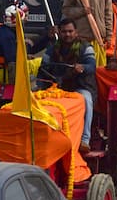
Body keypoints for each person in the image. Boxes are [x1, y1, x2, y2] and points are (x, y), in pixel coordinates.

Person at [37, 19, 96, 153]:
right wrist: (40, 86)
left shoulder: (85, 47)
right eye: (64, 32)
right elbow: (43, 68)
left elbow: (92, 66)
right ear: (59, 32)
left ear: (76, 32)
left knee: (86, 99)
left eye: (70, 31)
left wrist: (82, 67)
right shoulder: (52, 49)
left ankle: (85, 139)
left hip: (80, 87)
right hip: (57, 87)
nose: (67, 34)